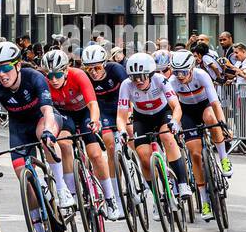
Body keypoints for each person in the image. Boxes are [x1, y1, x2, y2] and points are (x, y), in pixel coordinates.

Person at [0, 41, 73, 232]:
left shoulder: (34, 77)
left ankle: (61, 188)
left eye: (6, 68)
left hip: (42, 119)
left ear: (18, 66)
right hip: (19, 127)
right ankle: (39, 231)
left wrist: (50, 131)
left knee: (45, 138)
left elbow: (48, 110)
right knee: (24, 177)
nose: (2, 74)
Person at [41, 49, 122, 220]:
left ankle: (110, 198)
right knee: (63, 143)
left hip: (84, 112)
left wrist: (94, 121)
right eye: (49, 76)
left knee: (94, 154)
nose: (53, 80)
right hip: (64, 114)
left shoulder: (79, 75)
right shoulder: (45, 83)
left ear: (65, 70)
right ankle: (72, 194)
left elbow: (93, 104)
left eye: (57, 74)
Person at [116, 53, 193, 215]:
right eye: (134, 77)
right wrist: (122, 131)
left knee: (166, 136)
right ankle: (157, 198)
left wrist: (174, 122)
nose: (137, 81)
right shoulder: (126, 85)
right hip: (142, 118)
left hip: (162, 114)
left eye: (142, 76)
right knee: (143, 156)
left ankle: (182, 183)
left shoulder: (160, 80)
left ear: (150, 74)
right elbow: (121, 116)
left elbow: (176, 107)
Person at [167, 50, 230, 221]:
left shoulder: (201, 75)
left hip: (204, 106)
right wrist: (176, 127)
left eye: (184, 72)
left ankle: (224, 159)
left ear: (192, 68)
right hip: (187, 112)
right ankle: (204, 200)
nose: (180, 76)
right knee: (194, 154)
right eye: (176, 72)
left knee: (211, 118)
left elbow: (215, 103)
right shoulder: (172, 82)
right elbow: (174, 109)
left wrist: (223, 123)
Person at [80, 44, 132, 207]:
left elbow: (128, 91)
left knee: (131, 133)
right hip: (103, 111)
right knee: (110, 145)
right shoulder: (86, 77)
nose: (94, 72)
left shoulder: (116, 69)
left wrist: (130, 111)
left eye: (97, 67)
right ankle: (116, 195)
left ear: (104, 63)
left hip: (121, 106)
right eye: (89, 69)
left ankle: (135, 168)